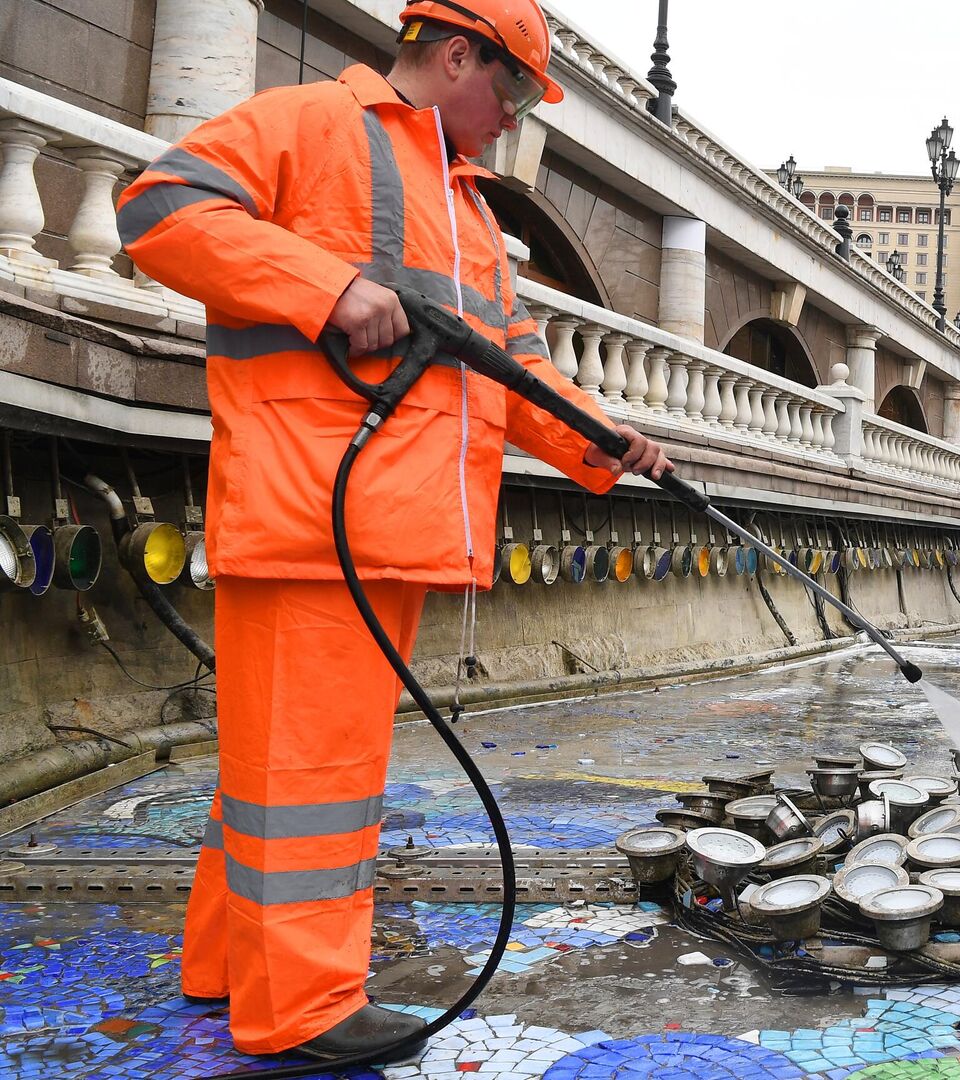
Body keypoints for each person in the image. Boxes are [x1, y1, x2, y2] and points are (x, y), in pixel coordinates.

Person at [114, 0, 672, 1063]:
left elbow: (514, 372)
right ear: (457, 53)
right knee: (312, 784)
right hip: (313, 516)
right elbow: (161, 208)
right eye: (511, 91)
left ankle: (230, 970)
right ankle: (306, 1011)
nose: (512, 118)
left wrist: (607, 442)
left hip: (391, 527)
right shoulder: (312, 124)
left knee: (275, 778)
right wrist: (325, 287)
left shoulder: (467, 212)